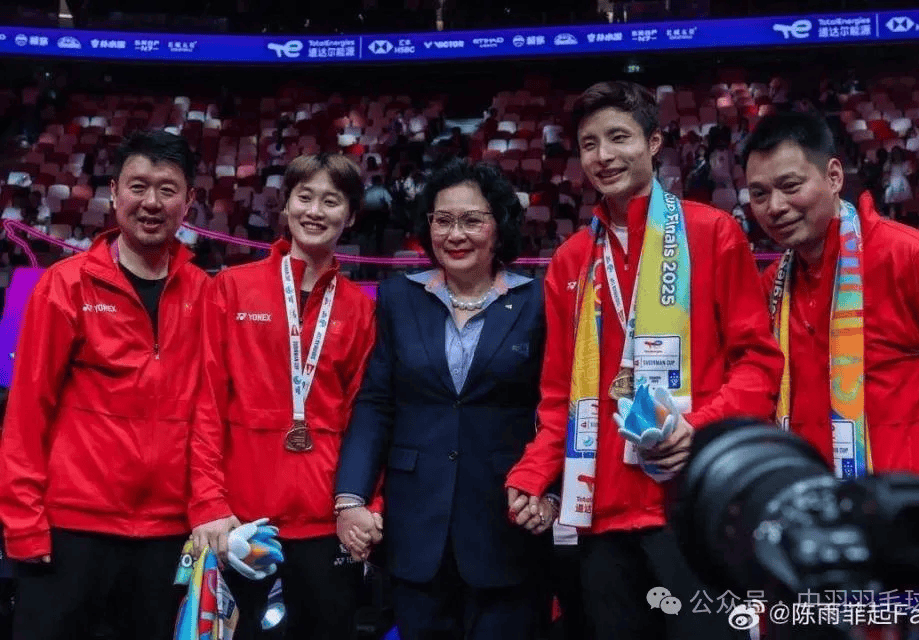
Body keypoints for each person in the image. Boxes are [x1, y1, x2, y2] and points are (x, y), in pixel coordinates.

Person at [504, 81, 784, 639]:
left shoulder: (713, 233)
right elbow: (559, 393)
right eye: (589, 144)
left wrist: (697, 428)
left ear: (654, 142)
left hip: (691, 509)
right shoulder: (572, 261)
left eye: (618, 138)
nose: (603, 156)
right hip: (600, 514)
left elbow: (757, 363)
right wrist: (533, 474)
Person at [0, 130, 208, 640]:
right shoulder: (64, 285)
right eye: (138, 187)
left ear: (190, 202)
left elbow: (209, 415)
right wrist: (23, 525)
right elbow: (27, 411)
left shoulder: (207, 294)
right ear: (113, 193)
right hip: (71, 532)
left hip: (167, 535)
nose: (151, 203)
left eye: (167, 189)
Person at [335, 158, 552, 640]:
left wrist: (552, 492)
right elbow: (376, 403)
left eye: (472, 219)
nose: (456, 233)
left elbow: (554, 406)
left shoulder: (538, 301)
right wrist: (350, 498)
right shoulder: (398, 297)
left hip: (507, 518)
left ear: (499, 225)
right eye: (443, 219)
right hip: (416, 523)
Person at [189, 153, 377, 640]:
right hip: (245, 523)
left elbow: (368, 417)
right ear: (286, 206)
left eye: (331, 201)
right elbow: (206, 403)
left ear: (350, 214)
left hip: (326, 523)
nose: (315, 211)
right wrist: (209, 502)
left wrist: (369, 506)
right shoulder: (232, 288)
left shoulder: (359, 309)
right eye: (304, 197)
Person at [744, 111, 919, 491]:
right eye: (759, 194)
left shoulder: (911, 260)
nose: (774, 207)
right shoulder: (772, 287)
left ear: (833, 177)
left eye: (790, 185)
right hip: (826, 524)